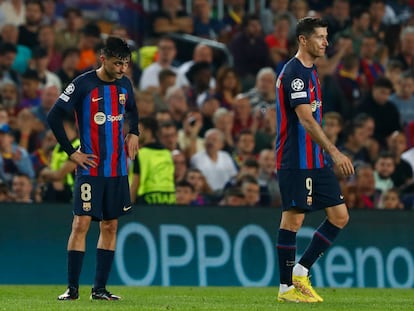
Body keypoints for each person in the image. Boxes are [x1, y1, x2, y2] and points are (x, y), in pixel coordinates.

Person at [47, 36, 139, 301]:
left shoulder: (125, 85)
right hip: (91, 169)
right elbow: (54, 116)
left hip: (117, 170)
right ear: (103, 59)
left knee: (110, 227)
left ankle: (99, 290)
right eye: (117, 63)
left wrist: (134, 132)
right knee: (81, 223)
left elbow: (132, 110)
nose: (122, 69)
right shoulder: (83, 84)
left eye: (125, 64)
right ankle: (72, 289)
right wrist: (72, 153)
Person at [275, 17, 355, 303]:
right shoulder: (295, 73)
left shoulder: (311, 71)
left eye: (326, 36)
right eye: (320, 37)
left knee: (339, 216)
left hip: (315, 160)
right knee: (293, 220)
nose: (326, 42)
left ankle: (301, 270)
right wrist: (335, 152)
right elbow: (306, 120)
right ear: (303, 40)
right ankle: (286, 288)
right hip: (296, 159)